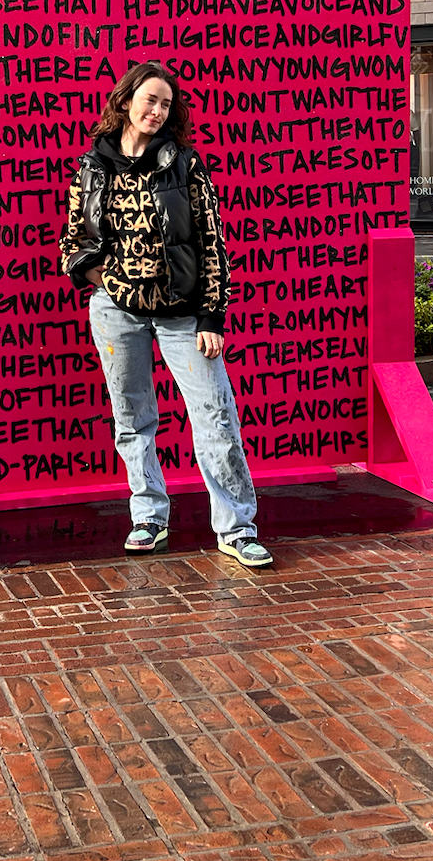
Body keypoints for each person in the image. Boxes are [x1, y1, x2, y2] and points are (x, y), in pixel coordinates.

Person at [58, 61, 272, 569]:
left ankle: (237, 528)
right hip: (115, 313)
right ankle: (148, 516)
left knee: (216, 415)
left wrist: (213, 318)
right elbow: (73, 245)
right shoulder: (92, 168)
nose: (156, 111)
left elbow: (211, 242)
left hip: (182, 313)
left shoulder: (185, 165)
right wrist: (106, 282)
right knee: (133, 419)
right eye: (149, 99)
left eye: (166, 104)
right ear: (126, 101)